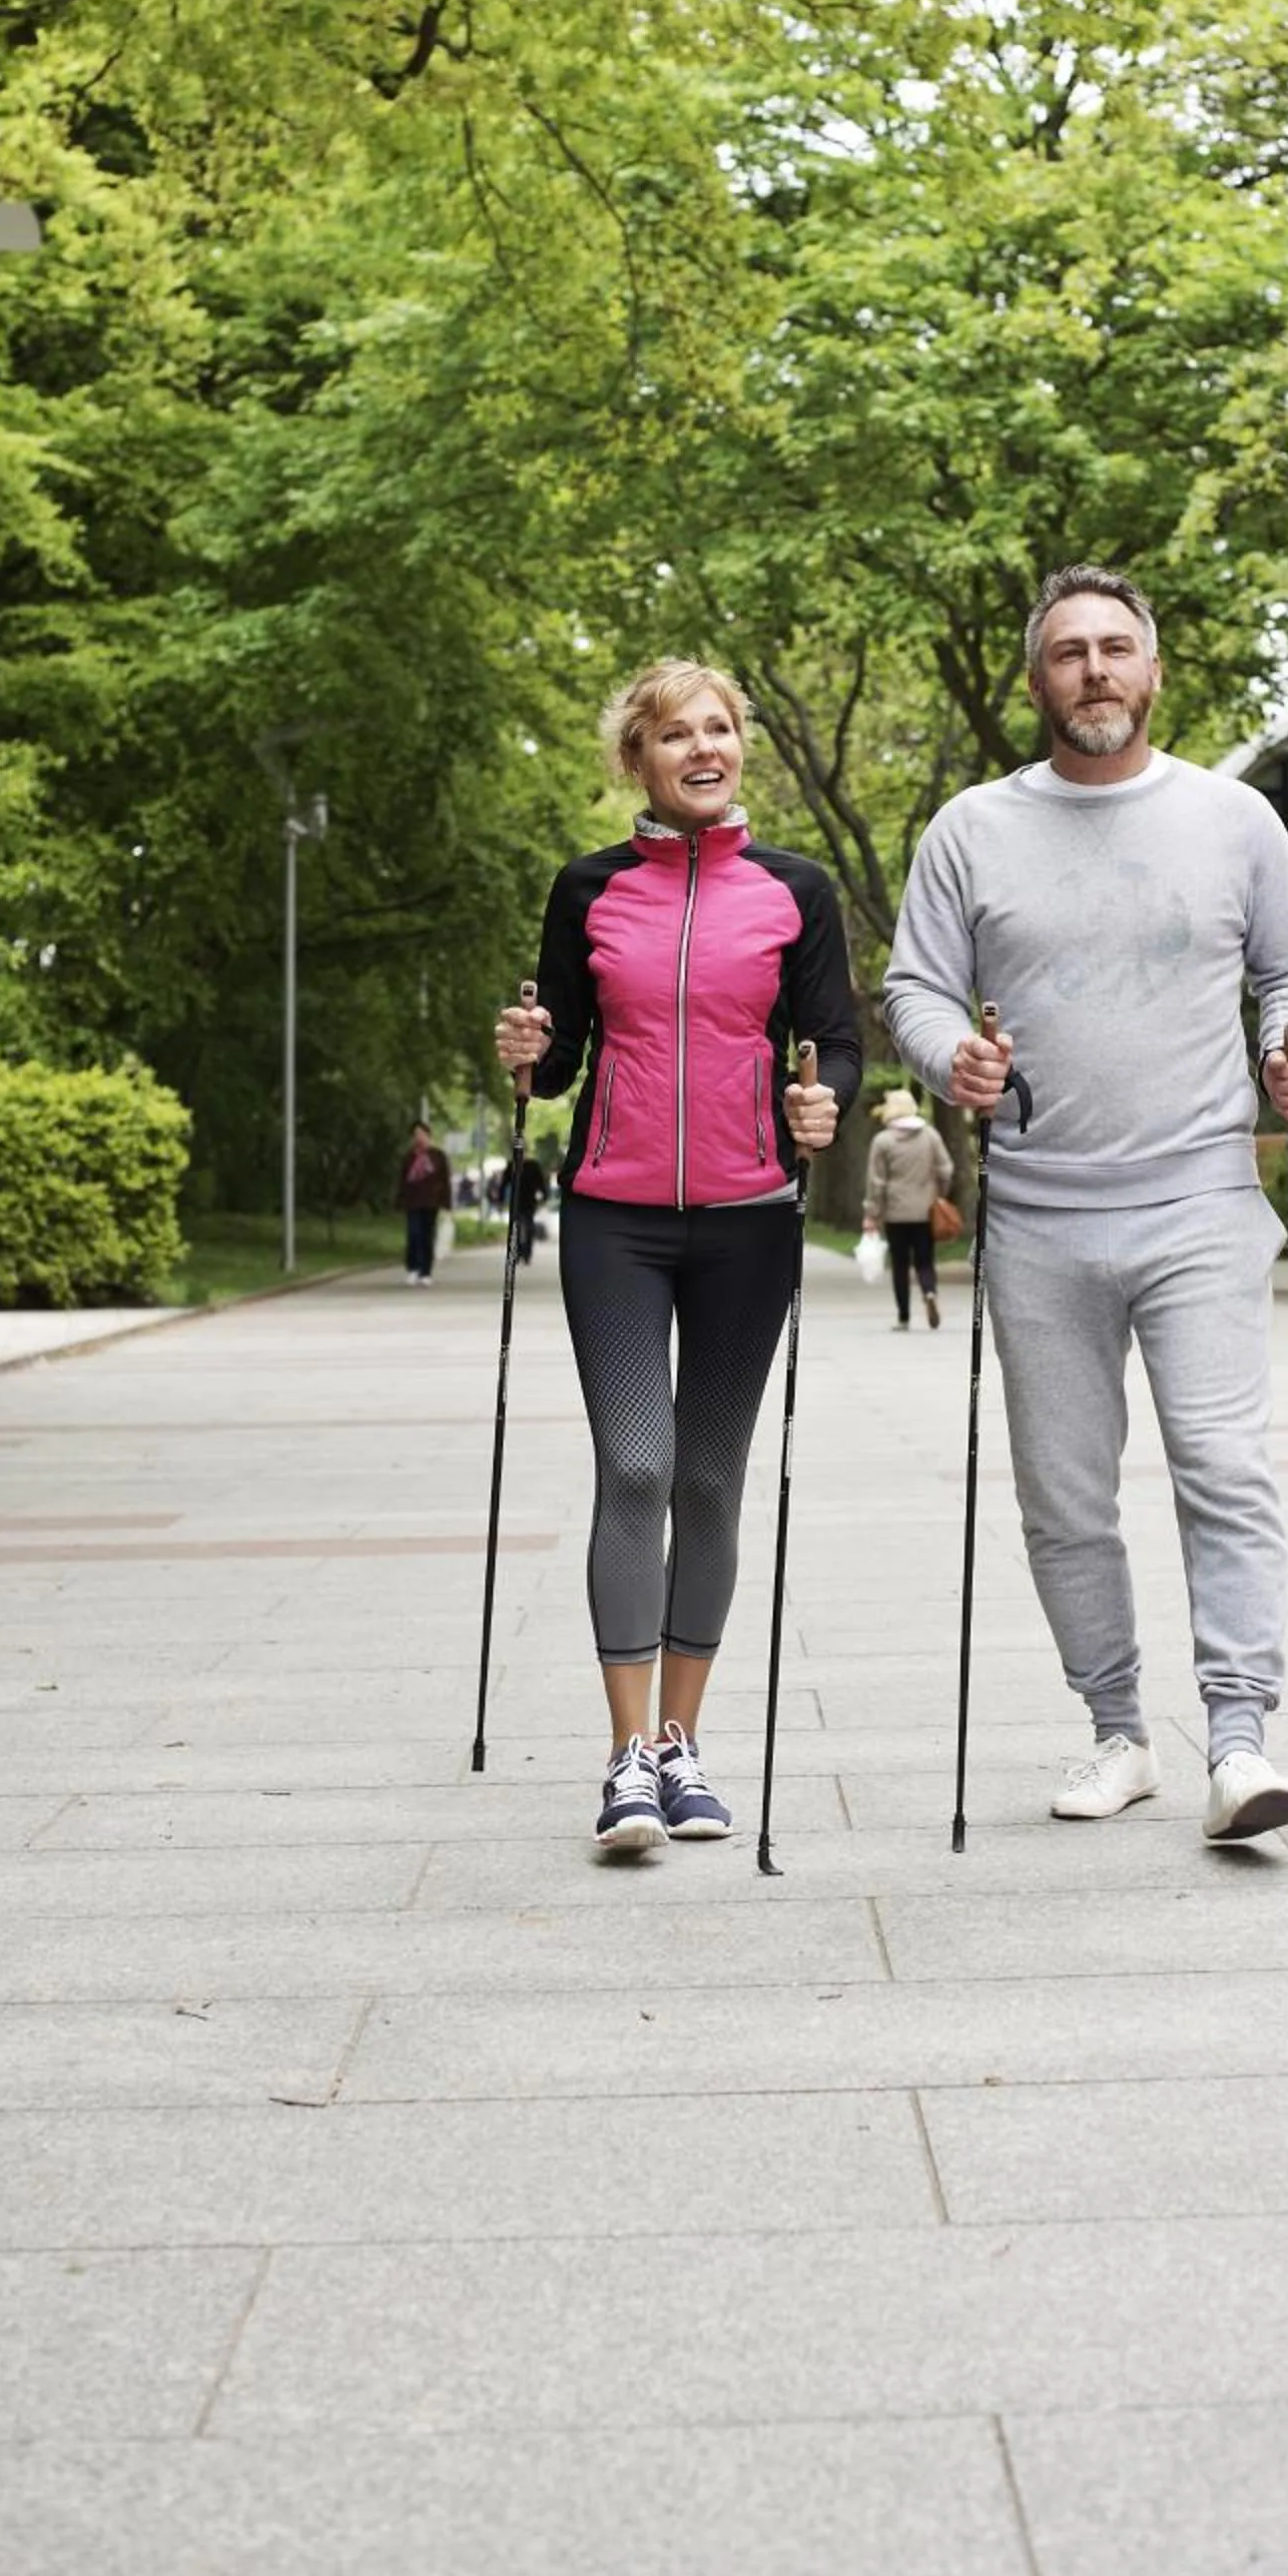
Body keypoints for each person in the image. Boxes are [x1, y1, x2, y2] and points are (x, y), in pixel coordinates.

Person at [885, 563, 1288, 1845]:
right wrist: (950, 1059)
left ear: (1152, 670)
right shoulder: (969, 829)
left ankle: (1239, 1742)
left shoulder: (1234, 819)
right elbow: (916, 988)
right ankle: (1119, 1732)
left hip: (1200, 1197)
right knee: (1064, 1497)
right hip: (1039, 1215)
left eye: (1115, 646)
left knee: (1224, 1466)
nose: (1094, 669)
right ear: (1037, 681)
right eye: (1068, 651)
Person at [493, 658, 862, 1855]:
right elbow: (556, 1064)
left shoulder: (795, 890)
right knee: (637, 1468)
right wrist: (526, 1049)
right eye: (672, 735)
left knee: (707, 1481)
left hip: (750, 1219)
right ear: (635, 761)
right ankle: (624, 1761)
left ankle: (681, 1746)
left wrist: (823, 1101)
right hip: (617, 1218)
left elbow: (836, 1042)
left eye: (717, 729)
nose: (702, 749)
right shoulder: (589, 888)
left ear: (738, 745)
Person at [861, 1085, 956, 1329]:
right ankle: (929, 1292)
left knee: (900, 1265)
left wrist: (872, 1213)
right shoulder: (930, 1135)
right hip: (926, 1211)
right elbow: (946, 1169)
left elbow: (876, 1182)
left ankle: (903, 1317)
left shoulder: (883, 1141)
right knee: (925, 1260)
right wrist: (940, 1194)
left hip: (895, 1213)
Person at [396, 1121, 451, 1287]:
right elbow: (402, 1180)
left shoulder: (438, 1156)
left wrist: (446, 1203)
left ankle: (426, 1271)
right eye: (415, 1135)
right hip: (413, 1201)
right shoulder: (409, 1157)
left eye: (421, 1134)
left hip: (431, 1202)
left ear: (428, 1135)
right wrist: (399, 1200)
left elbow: (445, 1179)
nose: (418, 1138)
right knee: (414, 1234)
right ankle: (413, 1267)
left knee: (427, 1236)